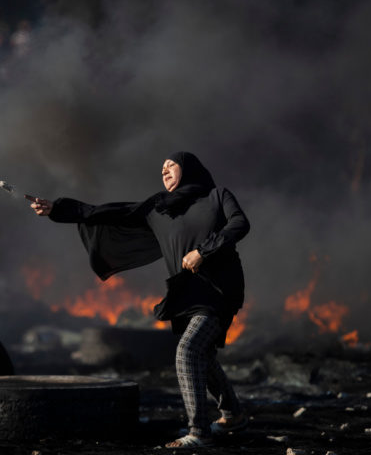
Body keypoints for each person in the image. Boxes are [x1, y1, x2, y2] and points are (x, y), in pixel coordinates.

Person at [30, 151, 250, 448]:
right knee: (202, 353)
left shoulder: (216, 196)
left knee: (187, 351)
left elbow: (239, 224)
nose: (164, 170)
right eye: (161, 167)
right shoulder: (158, 208)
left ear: (189, 168)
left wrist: (203, 252)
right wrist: (58, 208)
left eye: (171, 165)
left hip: (221, 287)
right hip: (186, 292)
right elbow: (108, 212)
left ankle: (198, 433)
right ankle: (233, 414)